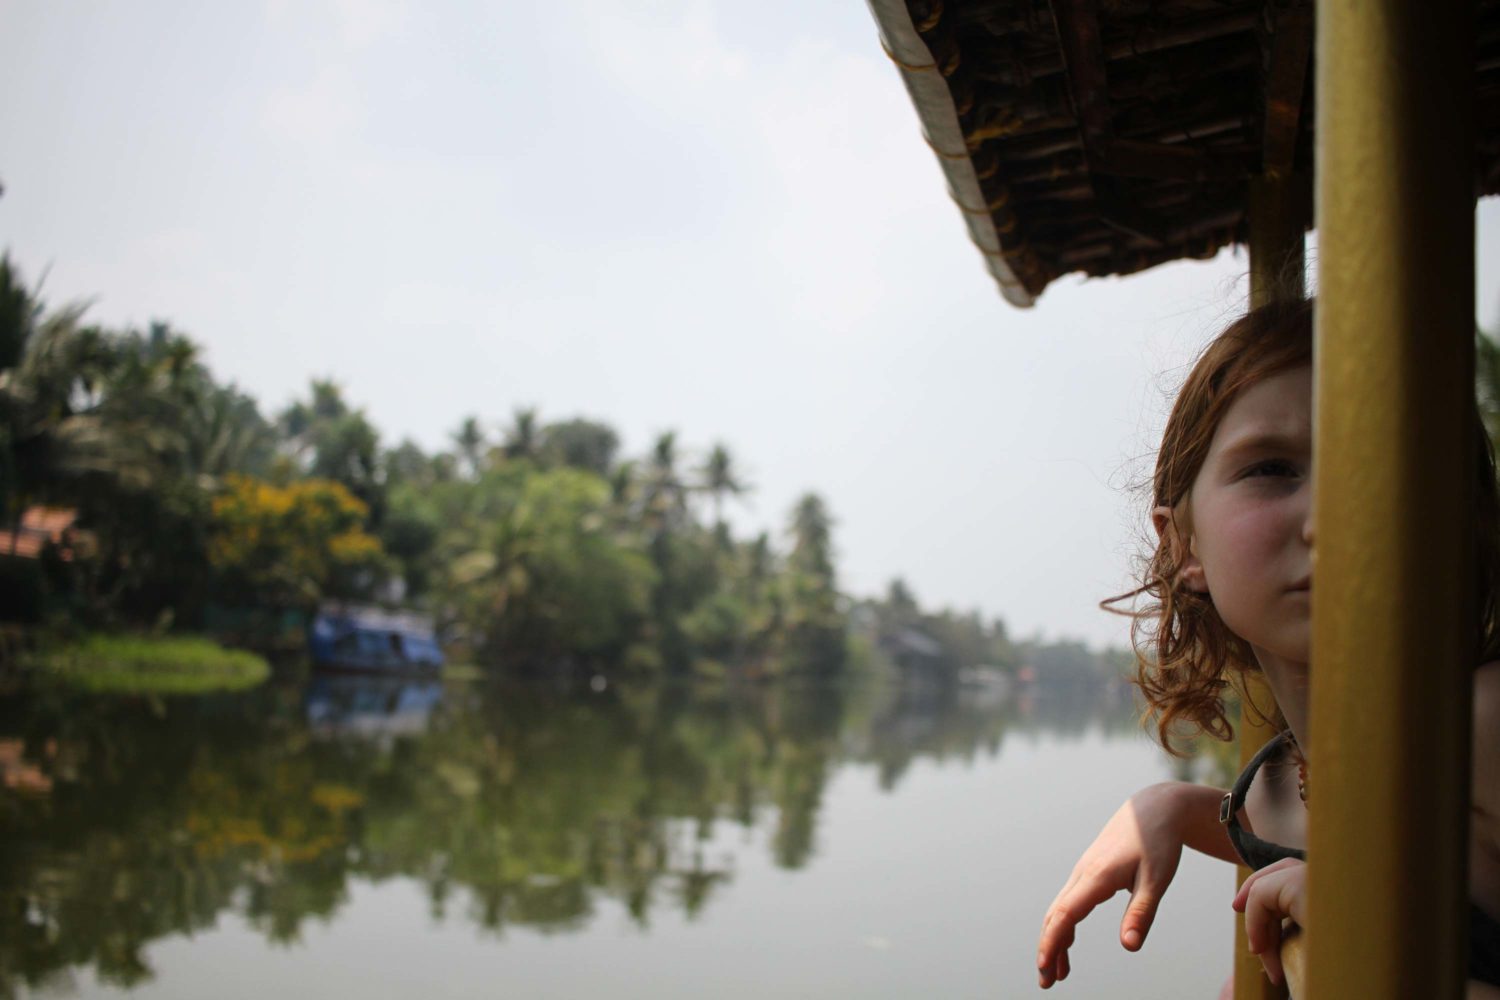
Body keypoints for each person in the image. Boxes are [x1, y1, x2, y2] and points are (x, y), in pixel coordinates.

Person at [1033, 297, 1500, 995]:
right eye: (1272, 469)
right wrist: (1172, 806)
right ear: (1182, 545)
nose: (1335, 517)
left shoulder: (1483, 726)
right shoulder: (1278, 785)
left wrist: (1371, 950)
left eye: (1391, 460)